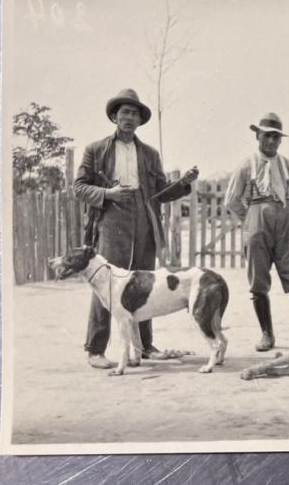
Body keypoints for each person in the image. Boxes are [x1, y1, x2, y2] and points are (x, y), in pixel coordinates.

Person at [73, 88, 198, 369]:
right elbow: (78, 187)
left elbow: (161, 193)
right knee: (106, 287)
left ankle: (143, 347)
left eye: (135, 114)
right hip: (110, 220)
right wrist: (108, 194)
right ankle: (95, 349)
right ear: (114, 117)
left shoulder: (150, 154)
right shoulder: (95, 150)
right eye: (124, 112)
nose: (129, 118)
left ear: (140, 121)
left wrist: (184, 183)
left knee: (145, 284)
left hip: (144, 220)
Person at [224, 112, 289, 351]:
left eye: (276, 137)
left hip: (285, 220)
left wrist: (285, 213)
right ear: (257, 136)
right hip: (257, 221)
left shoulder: (287, 166)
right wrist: (251, 217)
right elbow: (231, 200)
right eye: (267, 136)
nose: (271, 142)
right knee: (258, 279)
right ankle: (267, 335)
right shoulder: (246, 165)